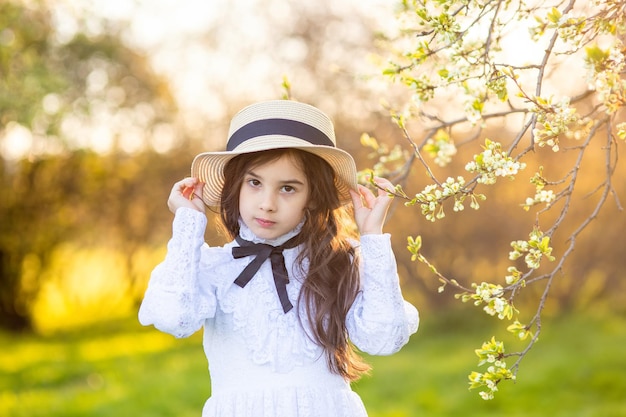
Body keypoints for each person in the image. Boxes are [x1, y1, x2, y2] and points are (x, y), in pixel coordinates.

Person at [138, 100, 419, 417]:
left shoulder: (341, 260)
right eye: (254, 183)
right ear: (236, 187)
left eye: (288, 188)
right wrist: (189, 224)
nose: (267, 204)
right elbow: (173, 318)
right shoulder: (213, 266)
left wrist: (372, 239)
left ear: (313, 198)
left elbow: (384, 338)